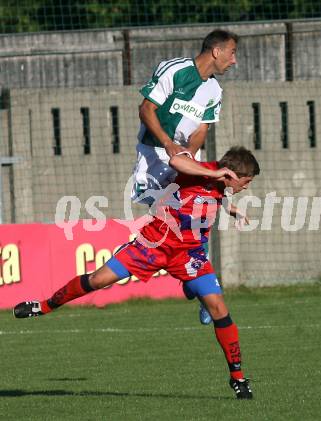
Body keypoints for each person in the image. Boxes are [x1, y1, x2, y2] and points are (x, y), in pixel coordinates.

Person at [14, 146, 260, 400]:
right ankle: (43, 306)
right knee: (98, 280)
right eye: (247, 180)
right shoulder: (202, 170)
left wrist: (232, 209)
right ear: (232, 173)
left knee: (219, 309)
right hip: (153, 245)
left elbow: (212, 197)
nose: (247, 186)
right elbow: (177, 160)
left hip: (189, 254)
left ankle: (238, 379)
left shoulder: (220, 186)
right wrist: (217, 172)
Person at [131, 29, 238, 325]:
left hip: (185, 157)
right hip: (153, 155)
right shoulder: (174, 70)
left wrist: (186, 158)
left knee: (197, 216)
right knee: (170, 220)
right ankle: (192, 280)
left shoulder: (215, 91)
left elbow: (202, 130)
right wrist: (169, 145)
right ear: (216, 51)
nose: (234, 60)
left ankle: (201, 290)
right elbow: (146, 109)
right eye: (232, 53)